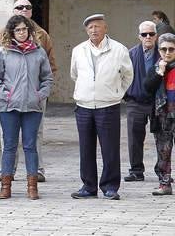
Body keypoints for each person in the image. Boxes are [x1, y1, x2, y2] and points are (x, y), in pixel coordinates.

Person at [0, 0, 56, 182]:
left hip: (33, 101)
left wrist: (40, 94)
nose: (24, 9)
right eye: (19, 7)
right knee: (9, 142)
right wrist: (5, 95)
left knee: (33, 140)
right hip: (10, 103)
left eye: (28, 6)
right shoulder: (1, 42)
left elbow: (49, 71)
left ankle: (35, 175)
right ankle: (7, 173)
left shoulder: (42, 38)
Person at [70, 14, 133, 200]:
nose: (94, 30)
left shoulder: (119, 49)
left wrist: (116, 92)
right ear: (86, 31)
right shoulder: (79, 50)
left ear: (105, 28)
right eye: (90, 27)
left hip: (108, 105)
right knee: (86, 148)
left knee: (110, 148)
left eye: (97, 26)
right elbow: (75, 74)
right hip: (83, 105)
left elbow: (128, 75)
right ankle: (89, 187)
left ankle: (110, 187)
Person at [124, 21, 160, 182]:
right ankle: (136, 170)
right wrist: (127, 95)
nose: (148, 37)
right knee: (134, 138)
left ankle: (162, 171)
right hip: (135, 102)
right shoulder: (131, 54)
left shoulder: (163, 53)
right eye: (144, 34)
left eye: (151, 34)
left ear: (156, 36)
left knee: (162, 137)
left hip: (158, 102)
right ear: (139, 36)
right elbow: (121, 76)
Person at [143, 33, 175, 195]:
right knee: (163, 151)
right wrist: (159, 73)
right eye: (164, 49)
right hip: (162, 116)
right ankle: (165, 184)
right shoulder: (155, 68)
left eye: (171, 49)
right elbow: (147, 88)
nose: (167, 53)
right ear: (159, 50)